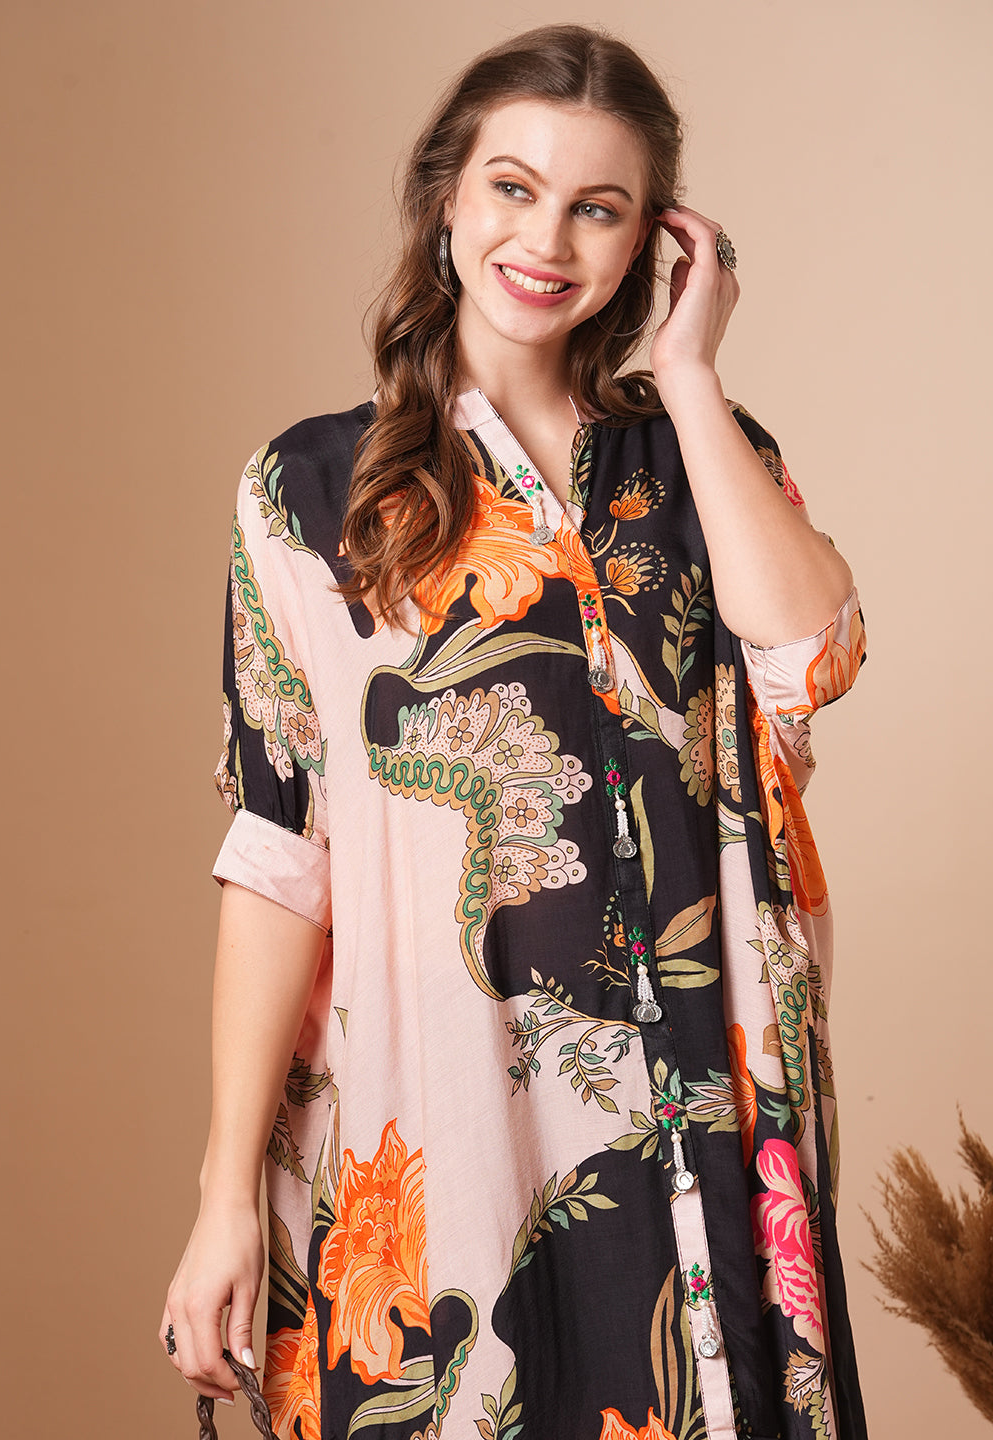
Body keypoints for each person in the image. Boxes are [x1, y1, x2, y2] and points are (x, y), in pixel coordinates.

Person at [160, 23, 868, 1440]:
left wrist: (690, 373)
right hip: (444, 1118)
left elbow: (812, 657)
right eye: (512, 187)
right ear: (446, 197)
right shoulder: (311, 491)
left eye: (598, 207)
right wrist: (223, 1192)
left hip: (705, 1100)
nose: (545, 239)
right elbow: (279, 853)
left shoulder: (706, 458)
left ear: (652, 241)